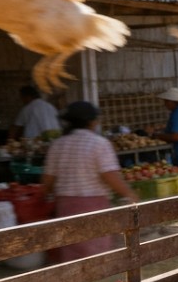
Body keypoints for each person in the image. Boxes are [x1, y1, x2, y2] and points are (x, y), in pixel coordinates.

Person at [41, 100, 139, 263]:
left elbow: (47, 180)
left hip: (65, 207)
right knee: (95, 249)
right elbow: (110, 176)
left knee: (71, 249)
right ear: (91, 122)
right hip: (94, 206)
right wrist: (129, 194)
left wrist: (47, 197)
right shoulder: (99, 144)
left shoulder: (58, 145)